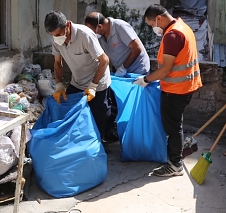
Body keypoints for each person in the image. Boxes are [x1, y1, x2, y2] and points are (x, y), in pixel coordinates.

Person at [133, 4, 202, 177]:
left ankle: (174, 164)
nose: (153, 28)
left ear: (159, 19)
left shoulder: (172, 35)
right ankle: (176, 157)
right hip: (187, 85)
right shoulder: (183, 26)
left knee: (173, 128)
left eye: (151, 24)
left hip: (176, 90)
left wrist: (146, 79)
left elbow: (166, 70)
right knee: (175, 124)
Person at [45, 10, 113, 139]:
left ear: (68, 26)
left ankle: (97, 147)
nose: (57, 37)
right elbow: (57, 64)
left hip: (98, 82)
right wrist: (59, 85)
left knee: (98, 117)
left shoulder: (85, 35)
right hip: (77, 81)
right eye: (53, 35)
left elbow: (104, 60)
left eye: (59, 33)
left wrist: (93, 86)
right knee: (71, 114)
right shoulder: (56, 40)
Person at [84, 12, 150, 76]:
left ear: (100, 26)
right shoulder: (100, 36)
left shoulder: (120, 26)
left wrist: (123, 68)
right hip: (120, 72)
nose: (92, 34)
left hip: (138, 70)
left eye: (92, 31)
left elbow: (137, 48)